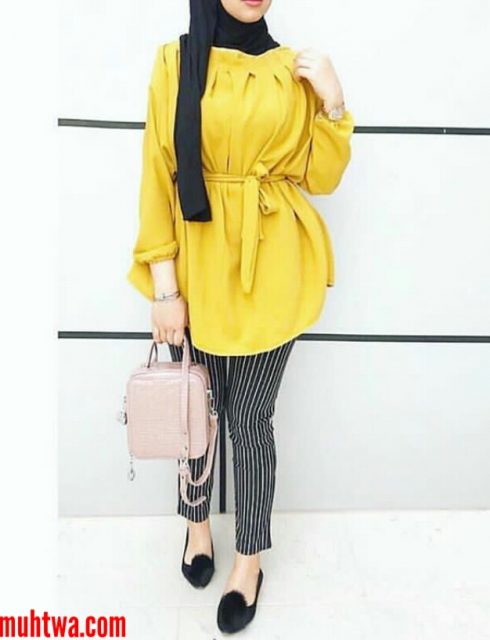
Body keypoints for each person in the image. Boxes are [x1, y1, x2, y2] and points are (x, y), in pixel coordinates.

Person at [127, 0, 355, 633]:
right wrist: (164, 287)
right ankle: (198, 526)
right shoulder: (176, 61)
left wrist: (334, 103)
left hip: (273, 268)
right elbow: (158, 172)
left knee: (251, 421)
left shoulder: (292, 70)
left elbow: (320, 177)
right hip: (198, 269)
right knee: (194, 411)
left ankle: (249, 559)